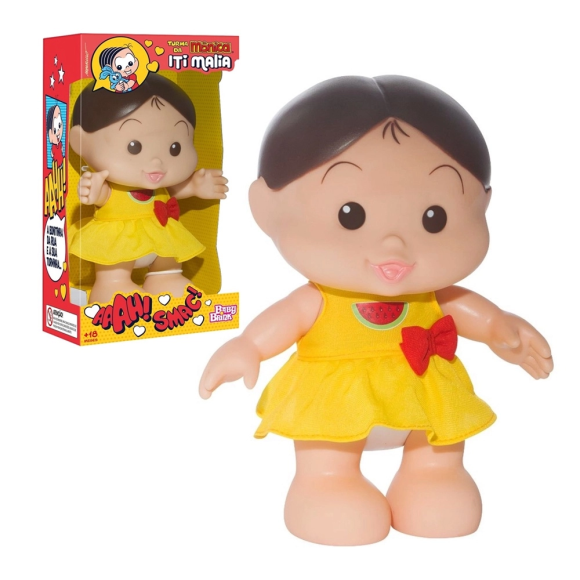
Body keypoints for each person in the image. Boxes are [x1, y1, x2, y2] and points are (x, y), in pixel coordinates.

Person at [199, 75, 553, 545]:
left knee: (439, 451)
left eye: (433, 218)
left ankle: (432, 475)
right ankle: (326, 485)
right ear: (267, 208)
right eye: (352, 215)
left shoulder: (435, 295)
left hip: (425, 392)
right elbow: (284, 320)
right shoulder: (320, 298)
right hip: (336, 403)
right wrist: (248, 346)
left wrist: (500, 327)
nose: (394, 245)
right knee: (330, 457)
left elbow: (476, 314)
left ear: (482, 206)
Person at [69, 73, 228, 303]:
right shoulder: (113, 187)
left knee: (168, 264)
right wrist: (93, 191)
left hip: (160, 238)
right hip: (119, 243)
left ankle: (165, 280)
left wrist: (195, 185)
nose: (157, 162)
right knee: (114, 270)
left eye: (175, 148)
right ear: (80, 142)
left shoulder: (162, 185)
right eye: (134, 146)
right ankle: (112, 287)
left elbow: (173, 192)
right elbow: (104, 196)